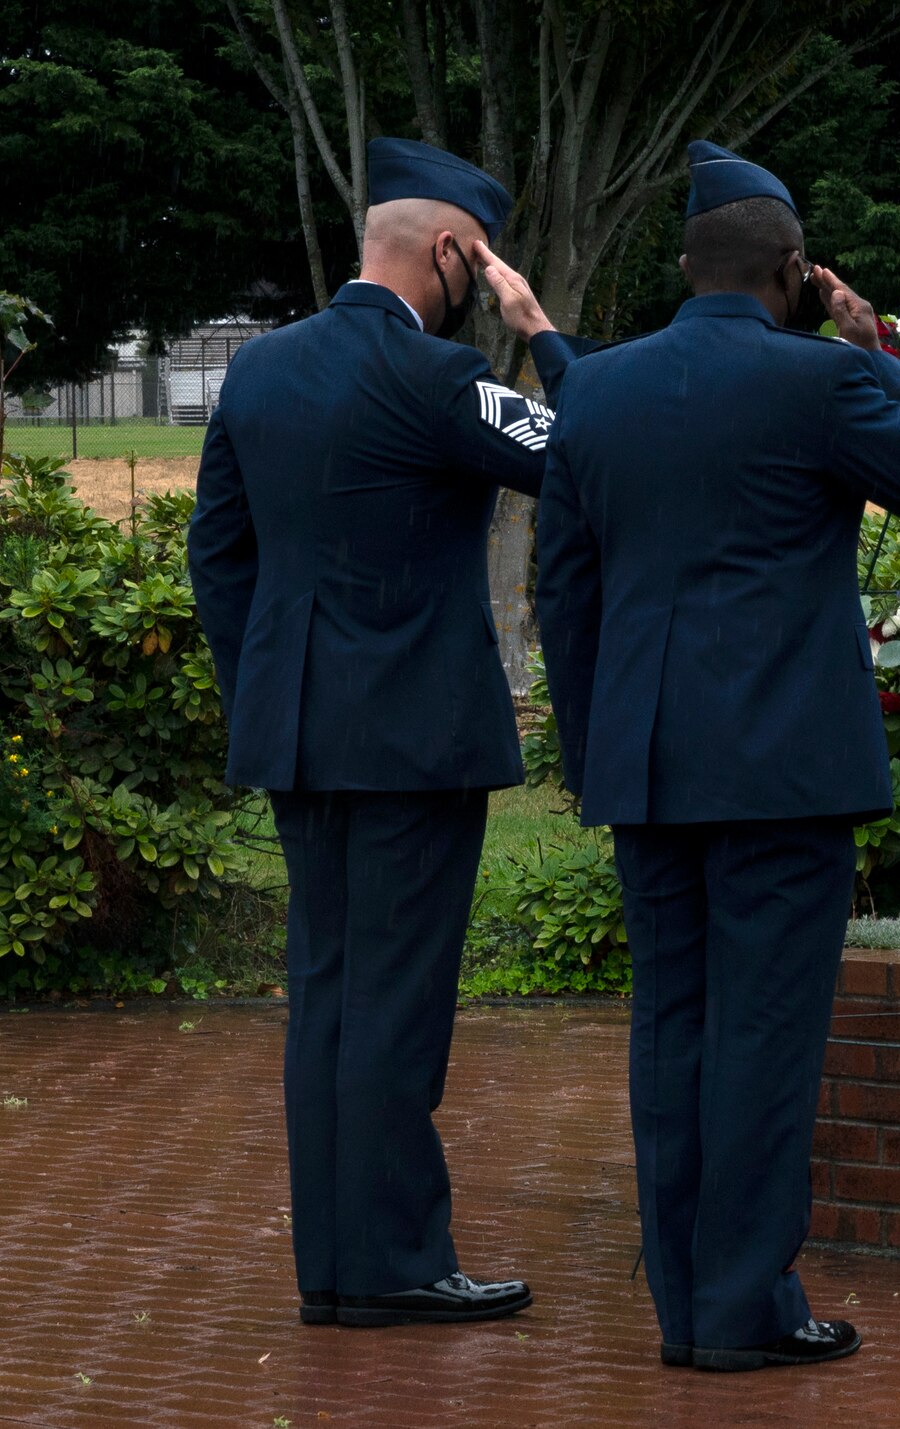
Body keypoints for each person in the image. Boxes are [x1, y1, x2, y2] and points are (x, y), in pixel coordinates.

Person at [535, 140, 900, 1372]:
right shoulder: (817, 384)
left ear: (687, 265)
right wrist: (878, 357)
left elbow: (563, 598)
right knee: (764, 1039)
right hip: (783, 770)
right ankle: (744, 1307)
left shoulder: (598, 393)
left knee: (670, 1033)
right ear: (791, 270)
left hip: (648, 766)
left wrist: (597, 753)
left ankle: (685, 1306)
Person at [187, 137, 595, 1329]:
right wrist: (542, 336)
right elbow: (594, 454)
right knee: (398, 1003)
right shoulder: (435, 383)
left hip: (299, 732)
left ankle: (338, 1260)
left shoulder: (256, 373)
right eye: (480, 265)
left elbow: (220, 554)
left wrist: (268, 684)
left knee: (327, 993)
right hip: (414, 738)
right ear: (452, 252)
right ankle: (393, 1264)